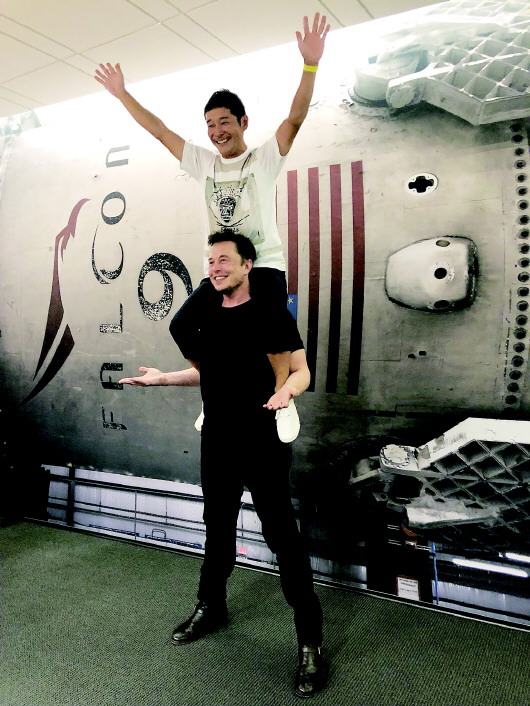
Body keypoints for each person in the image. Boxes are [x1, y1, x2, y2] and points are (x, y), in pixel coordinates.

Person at [94, 13, 330, 438]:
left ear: (242, 123)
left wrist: (310, 64)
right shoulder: (203, 162)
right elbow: (158, 130)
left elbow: (295, 119)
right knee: (182, 325)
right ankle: (214, 387)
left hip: (263, 264)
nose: (217, 131)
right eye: (210, 125)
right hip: (223, 267)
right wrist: (122, 94)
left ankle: (280, 396)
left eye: (224, 122)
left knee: (273, 328)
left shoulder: (263, 159)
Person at [119, 231, 325, 698]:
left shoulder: (272, 313)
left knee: (282, 537)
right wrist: (163, 379)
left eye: (225, 260)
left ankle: (310, 640)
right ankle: (211, 607)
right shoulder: (206, 315)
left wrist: (286, 391)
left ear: (248, 265)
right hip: (218, 438)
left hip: (262, 438)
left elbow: (301, 370)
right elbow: (208, 372)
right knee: (217, 527)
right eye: (210, 261)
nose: (215, 267)